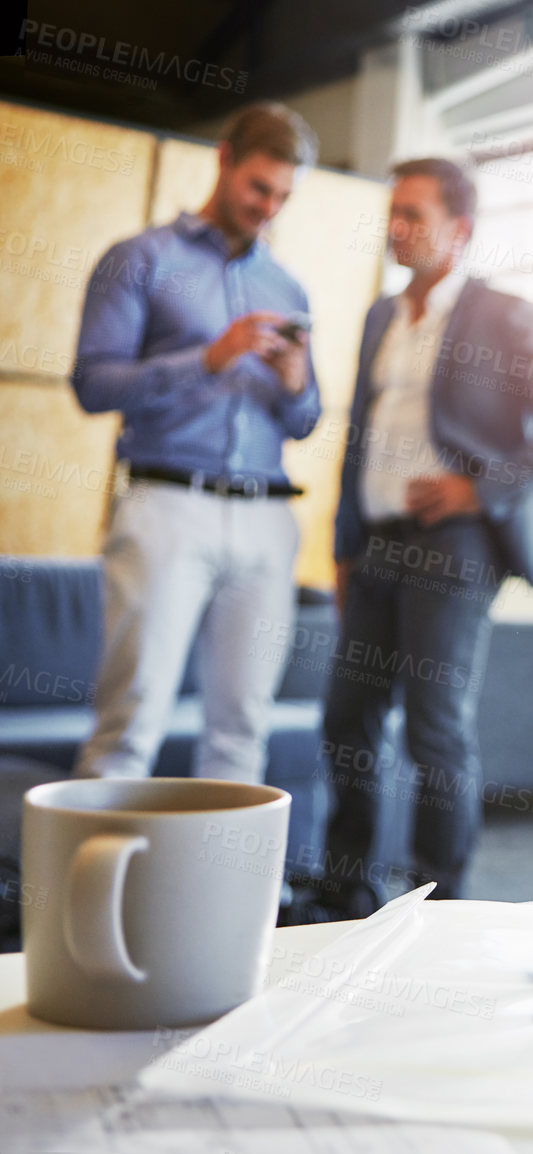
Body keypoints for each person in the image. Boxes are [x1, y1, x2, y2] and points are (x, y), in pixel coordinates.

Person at [302, 158, 533, 919]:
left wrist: (480, 486)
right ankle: (347, 890)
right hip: (374, 545)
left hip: (454, 545)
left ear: (459, 231)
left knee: (434, 727)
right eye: (392, 212)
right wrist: (342, 548)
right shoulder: (380, 316)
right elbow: (360, 440)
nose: (397, 228)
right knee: (347, 718)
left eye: (415, 215)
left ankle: (440, 907)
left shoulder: (500, 315)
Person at [71, 102, 321, 785]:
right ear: (224, 160)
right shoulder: (140, 259)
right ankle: (89, 895)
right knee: (132, 717)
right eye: (258, 188)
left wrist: (297, 384)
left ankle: (221, 894)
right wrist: (209, 358)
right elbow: (92, 385)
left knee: (242, 729)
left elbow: (305, 420)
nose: (268, 207)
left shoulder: (287, 286)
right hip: (166, 506)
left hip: (267, 520)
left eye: (283, 196)